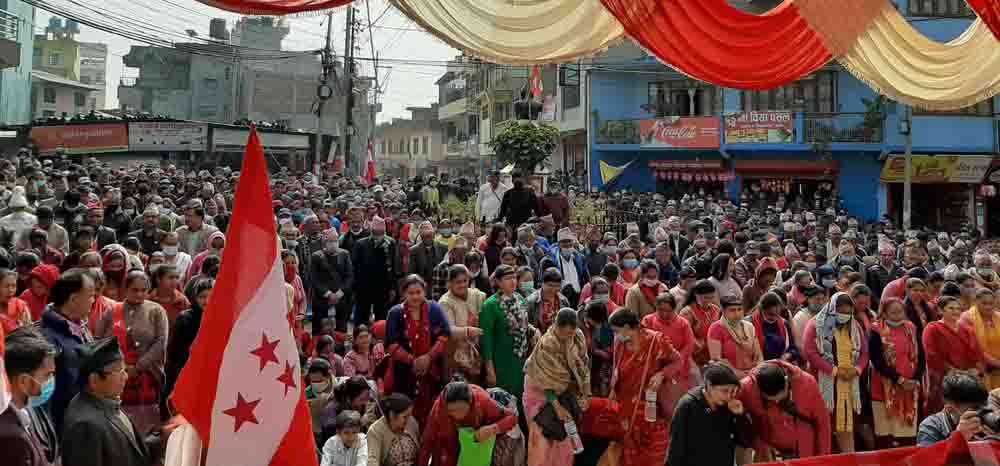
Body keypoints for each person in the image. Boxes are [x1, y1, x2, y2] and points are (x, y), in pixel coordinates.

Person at [94, 270, 168, 434]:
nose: (139, 294)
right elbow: (98, 339)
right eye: (135, 290)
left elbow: (161, 341)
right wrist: (119, 366)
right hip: (115, 374)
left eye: (144, 290)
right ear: (125, 289)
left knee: (146, 425)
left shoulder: (156, 311)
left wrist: (139, 367)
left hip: (147, 376)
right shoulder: (112, 310)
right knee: (118, 422)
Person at [61, 337, 153, 466]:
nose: (125, 377)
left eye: (125, 370)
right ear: (94, 380)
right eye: (119, 371)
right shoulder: (85, 426)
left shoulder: (106, 400)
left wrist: (162, 437)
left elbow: (128, 451)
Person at [610, 310, 680, 466]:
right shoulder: (619, 343)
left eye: (616, 331)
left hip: (652, 408)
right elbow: (616, 371)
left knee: (653, 455)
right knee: (627, 453)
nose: (615, 335)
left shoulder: (655, 340)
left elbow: (677, 361)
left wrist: (662, 374)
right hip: (626, 409)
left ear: (627, 327)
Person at [802, 292, 869, 453]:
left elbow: (864, 353)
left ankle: (848, 458)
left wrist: (857, 370)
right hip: (824, 384)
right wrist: (834, 371)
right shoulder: (816, 325)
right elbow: (810, 352)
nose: (844, 316)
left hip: (849, 383)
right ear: (832, 309)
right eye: (841, 312)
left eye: (848, 312)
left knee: (848, 426)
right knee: (823, 426)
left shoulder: (854, 326)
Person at [384, 275, 451, 423]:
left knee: (432, 408)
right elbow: (390, 344)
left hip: (432, 368)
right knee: (405, 408)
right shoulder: (395, 313)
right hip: (404, 370)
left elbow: (445, 334)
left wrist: (428, 357)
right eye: (411, 293)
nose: (415, 296)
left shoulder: (434, 308)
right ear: (404, 294)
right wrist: (413, 361)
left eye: (418, 292)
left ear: (424, 292)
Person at [38, 269, 96, 429]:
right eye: (90, 296)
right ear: (73, 299)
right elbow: (45, 395)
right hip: (65, 424)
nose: (94, 300)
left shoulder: (80, 325)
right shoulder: (46, 337)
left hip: (85, 419)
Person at [738, 361, 831, 460]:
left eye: (782, 396)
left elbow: (822, 423)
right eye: (773, 400)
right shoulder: (746, 389)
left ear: (786, 381)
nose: (778, 400)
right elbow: (741, 425)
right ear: (760, 391)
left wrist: (823, 458)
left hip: (805, 453)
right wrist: (760, 446)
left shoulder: (807, 382)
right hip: (769, 456)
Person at [667, 362, 753, 466]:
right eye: (725, 391)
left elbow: (746, 441)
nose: (729, 396)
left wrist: (740, 415)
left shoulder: (730, 406)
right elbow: (676, 448)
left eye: (733, 391)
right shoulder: (688, 405)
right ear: (708, 385)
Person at [418, 380, 519, 466]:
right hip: (449, 450)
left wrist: (492, 429)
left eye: (461, 410)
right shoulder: (439, 409)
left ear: (470, 403)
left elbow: (512, 417)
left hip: (479, 451)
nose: (457, 415)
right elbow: (427, 441)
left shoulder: (481, 401)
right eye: (452, 411)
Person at [869, 297, 924, 448]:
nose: (898, 315)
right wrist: (899, 380)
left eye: (900, 312)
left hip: (909, 387)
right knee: (885, 434)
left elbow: (921, 357)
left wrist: (914, 379)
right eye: (893, 313)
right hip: (883, 388)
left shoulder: (911, 328)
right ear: (884, 314)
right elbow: (877, 360)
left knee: (906, 435)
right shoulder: (876, 330)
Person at [0, 328, 57, 466]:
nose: (51, 380)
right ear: (23, 381)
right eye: (47, 375)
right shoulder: (11, 437)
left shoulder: (23, 413)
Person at [480, 264, 536, 402]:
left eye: (514, 278)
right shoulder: (490, 305)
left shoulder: (520, 299)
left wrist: (533, 331)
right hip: (501, 362)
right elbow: (486, 340)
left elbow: (523, 325)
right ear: (498, 282)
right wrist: (489, 369)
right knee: (505, 401)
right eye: (507, 278)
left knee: (522, 397)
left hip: (520, 360)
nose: (513, 281)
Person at [923, 295, 986, 415]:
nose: (956, 311)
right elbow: (932, 355)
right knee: (942, 413)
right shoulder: (932, 328)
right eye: (951, 308)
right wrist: (955, 372)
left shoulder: (967, 329)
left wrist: (977, 370)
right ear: (941, 310)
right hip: (943, 379)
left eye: (958, 308)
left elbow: (978, 353)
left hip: (968, 378)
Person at [162, 277, 213, 408]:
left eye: (211, 295)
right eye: (202, 296)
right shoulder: (185, 319)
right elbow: (174, 354)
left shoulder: (223, 318)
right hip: (187, 375)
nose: (206, 301)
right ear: (195, 298)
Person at [437, 265, 485, 381]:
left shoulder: (478, 295)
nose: (463, 285)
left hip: (479, 350)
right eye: (458, 282)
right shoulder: (445, 302)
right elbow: (449, 330)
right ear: (449, 283)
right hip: (456, 355)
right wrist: (468, 331)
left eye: (465, 281)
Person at [917, 372, 990, 446]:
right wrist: (959, 436)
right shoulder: (931, 426)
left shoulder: (987, 422)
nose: (980, 412)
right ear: (950, 409)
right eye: (975, 408)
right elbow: (926, 456)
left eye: (983, 407)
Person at [352, 216, 400, 326]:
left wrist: (393, 288)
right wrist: (354, 289)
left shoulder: (390, 243)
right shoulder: (361, 244)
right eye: (376, 233)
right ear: (372, 231)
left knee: (381, 318)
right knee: (361, 317)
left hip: (383, 287)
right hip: (364, 287)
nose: (379, 236)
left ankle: (380, 339)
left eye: (381, 233)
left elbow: (394, 267)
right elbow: (355, 267)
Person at [311, 230, 355, 333]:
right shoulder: (316, 256)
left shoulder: (345, 254)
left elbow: (349, 276)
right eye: (330, 241)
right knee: (320, 329)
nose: (333, 243)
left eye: (335, 240)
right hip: (322, 300)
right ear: (324, 243)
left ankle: (339, 348)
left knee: (341, 329)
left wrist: (340, 293)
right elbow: (314, 279)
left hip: (342, 299)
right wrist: (328, 294)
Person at [708, 297, 763, 378]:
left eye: (739, 309)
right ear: (723, 311)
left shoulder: (749, 327)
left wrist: (756, 371)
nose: (737, 313)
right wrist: (739, 374)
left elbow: (759, 355)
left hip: (752, 374)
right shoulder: (716, 328)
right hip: (728, 377)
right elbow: (716, 360)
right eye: (732, 310)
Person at [961, 288, 1000, 390]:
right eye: (984, 303)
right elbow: (974, 348)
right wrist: (996, 363)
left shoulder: (998, 317)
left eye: (991, 303)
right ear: (976, 302)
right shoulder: (967, 318)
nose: (988, 307)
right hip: (978, 369)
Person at [366, 394, 420, 466]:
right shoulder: (375, 431)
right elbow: (373, 460)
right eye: (405, 416)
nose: (409, 419)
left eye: (410, 415)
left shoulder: (412, 422)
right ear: (392, 415)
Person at [679, 279, 720, 368]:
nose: (709, 301)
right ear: (696, 295)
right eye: (705, 298)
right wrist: (699, 345)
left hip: (712, 352)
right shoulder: (687, 312)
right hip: (694, 355)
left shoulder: (715, 309)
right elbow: (685, 336)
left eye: (711, 297)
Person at [750, 292, 799, 362]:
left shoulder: (784, 324)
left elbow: (793, 349)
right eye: (770, 314)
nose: (774, 318)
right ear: (762, 310)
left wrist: (788, 355)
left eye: (777, 314)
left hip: (780, 365)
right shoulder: (750, 324)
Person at [526, 268, 571, 334]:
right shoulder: (531, 301)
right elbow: (525, 323)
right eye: (550, 285)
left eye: (557, 286)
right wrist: (534, 331)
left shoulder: (564, 301)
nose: (553, 289)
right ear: (542, 283)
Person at [148, 264, 190, 329]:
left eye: (177, 277)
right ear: (158, 279)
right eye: (171, 277)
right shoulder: (148, 300)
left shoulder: (182, 301)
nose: (175, 281)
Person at [410, 222, 448, 286]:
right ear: (421, 236)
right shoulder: (414, 250)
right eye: (425, 236)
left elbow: (447, 269)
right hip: (422, 285)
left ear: (433, 235)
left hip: (439, 284)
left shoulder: (443, 248)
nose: (427, 238)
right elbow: (412, 273)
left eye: (429, 235)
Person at [0, 268, 31, 333]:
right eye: (6, 286)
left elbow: (29, 329)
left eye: (13, 286)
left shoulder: (20, 305)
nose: (10, 290)